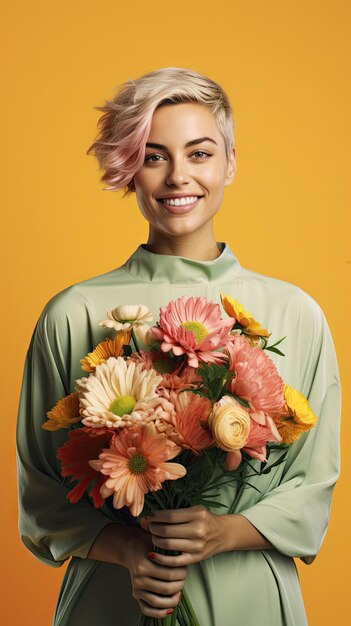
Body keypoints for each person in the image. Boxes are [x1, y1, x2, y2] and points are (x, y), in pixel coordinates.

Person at [16, 67, 341, 626]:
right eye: (153, 155)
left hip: (250, 594)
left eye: (199, 153)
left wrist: (225, 532)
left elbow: (314, 481)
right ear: (130, 169)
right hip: (115, 595)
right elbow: (40, 491)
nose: (177, 177)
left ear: (230, 163)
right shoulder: (71, 314)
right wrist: (128, 551)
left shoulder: (297, 313)